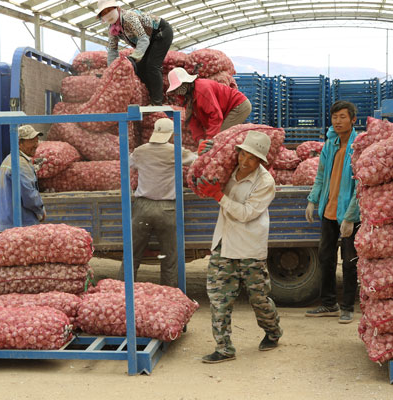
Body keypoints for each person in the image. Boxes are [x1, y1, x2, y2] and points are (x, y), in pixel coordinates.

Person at [197, 130, 283, 363]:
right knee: (219, 298)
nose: (245, 161)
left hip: (249, 248)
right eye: (243, 154)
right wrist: (204, 156)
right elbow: (204, 175)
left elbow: (246, 214)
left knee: (258, 298)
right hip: (224, 243)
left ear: (260, 161)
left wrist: (219, 197)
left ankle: (273, 331)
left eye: (252, 158)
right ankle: (224, 348)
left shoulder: (265, 182)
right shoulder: (228, 169)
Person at [117, 118, 197, 287]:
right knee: (170, 258)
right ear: (170, 134)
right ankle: (169, 292)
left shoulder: (140, 151)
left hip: (142, 207)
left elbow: (127, 164)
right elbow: (196, 160)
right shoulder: (175, 151)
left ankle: (121, 291)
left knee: (132, 255)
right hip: (167, 209)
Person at [304, 100, 361, 324]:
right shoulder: (330, 144)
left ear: (353, 120)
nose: (338, 121)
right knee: (325, 257)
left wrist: (351, 217)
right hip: (329, 210)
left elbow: (360, 185)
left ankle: (347, 307)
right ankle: (329, 303)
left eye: (342, 117)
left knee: (349, 261)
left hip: (348, 213)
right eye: (335, 117)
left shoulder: (358, 146)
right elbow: (321, 175)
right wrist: (312, 200)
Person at [96, 0, 173, 106]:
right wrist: (112, 69)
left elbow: (143, 39)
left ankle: (157, 102)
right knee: (139, 69)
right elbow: (112, 50)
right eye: (104, 13)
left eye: (109, 10)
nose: (108, 15)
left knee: (152, 66)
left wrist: (133, 57)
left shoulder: (128, 17)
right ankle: (150, 97)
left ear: (117, 8)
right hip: (149, 39)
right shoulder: (112, 29)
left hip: (161, 33)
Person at [166, 67, 252, 143]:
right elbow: (192, 120)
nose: (178, 91)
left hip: (238, 106)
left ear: (186, 83)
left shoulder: (202, 90)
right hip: (225, 111)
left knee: (219, 138)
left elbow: (215, 116)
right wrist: (200, 139)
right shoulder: (186, 98)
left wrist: (209, 139)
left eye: (179, 87)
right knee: (217, 139)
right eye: (176, 89)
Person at [0, 125, 46, 231]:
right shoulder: (20, 163)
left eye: (36, 141)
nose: (36, 145)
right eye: (31, 141)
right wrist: (40, 210)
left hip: (8, 223)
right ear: (19, 143)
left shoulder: (8, 160)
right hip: (22, 224)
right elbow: (29, 195)